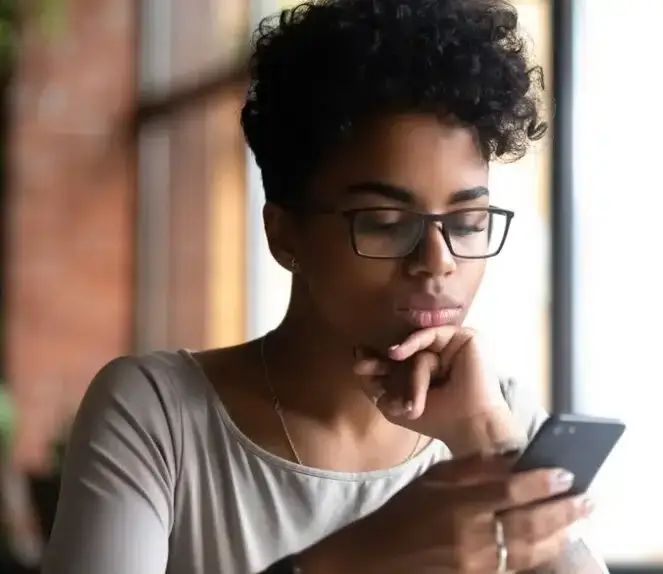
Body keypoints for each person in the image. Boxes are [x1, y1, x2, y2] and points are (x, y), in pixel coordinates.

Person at [42, 1, 608, 572]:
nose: (438, 262)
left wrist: (486, 437)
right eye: (386, 222)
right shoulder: (160, 416)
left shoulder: (499, 413)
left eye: (466, 223)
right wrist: (363, 557)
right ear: (285, 235)